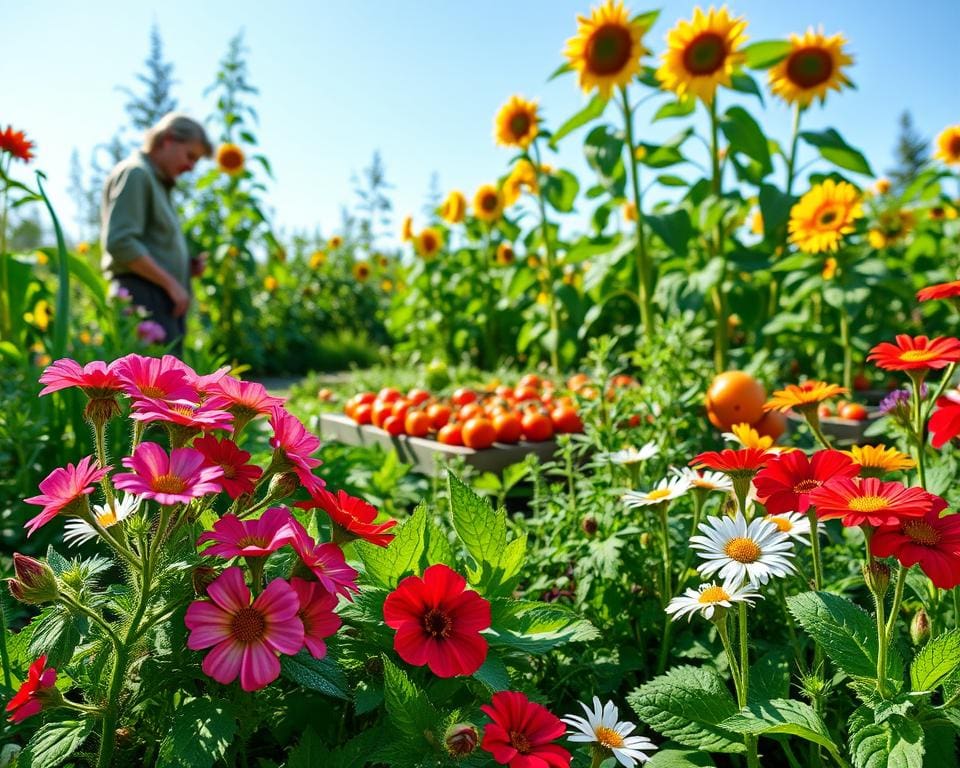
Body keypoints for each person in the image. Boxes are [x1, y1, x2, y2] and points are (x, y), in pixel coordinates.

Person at [100, 113, 213, 355]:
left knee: (164, 389)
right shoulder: (137, 173)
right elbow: (121, 242)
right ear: (168, 139)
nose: (192, 166)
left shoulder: (157, 182)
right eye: (190, 156)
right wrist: (172, 283)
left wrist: (184, 267)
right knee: (149, 389)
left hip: (159, 299)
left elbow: (148, 243)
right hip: (142, 298)